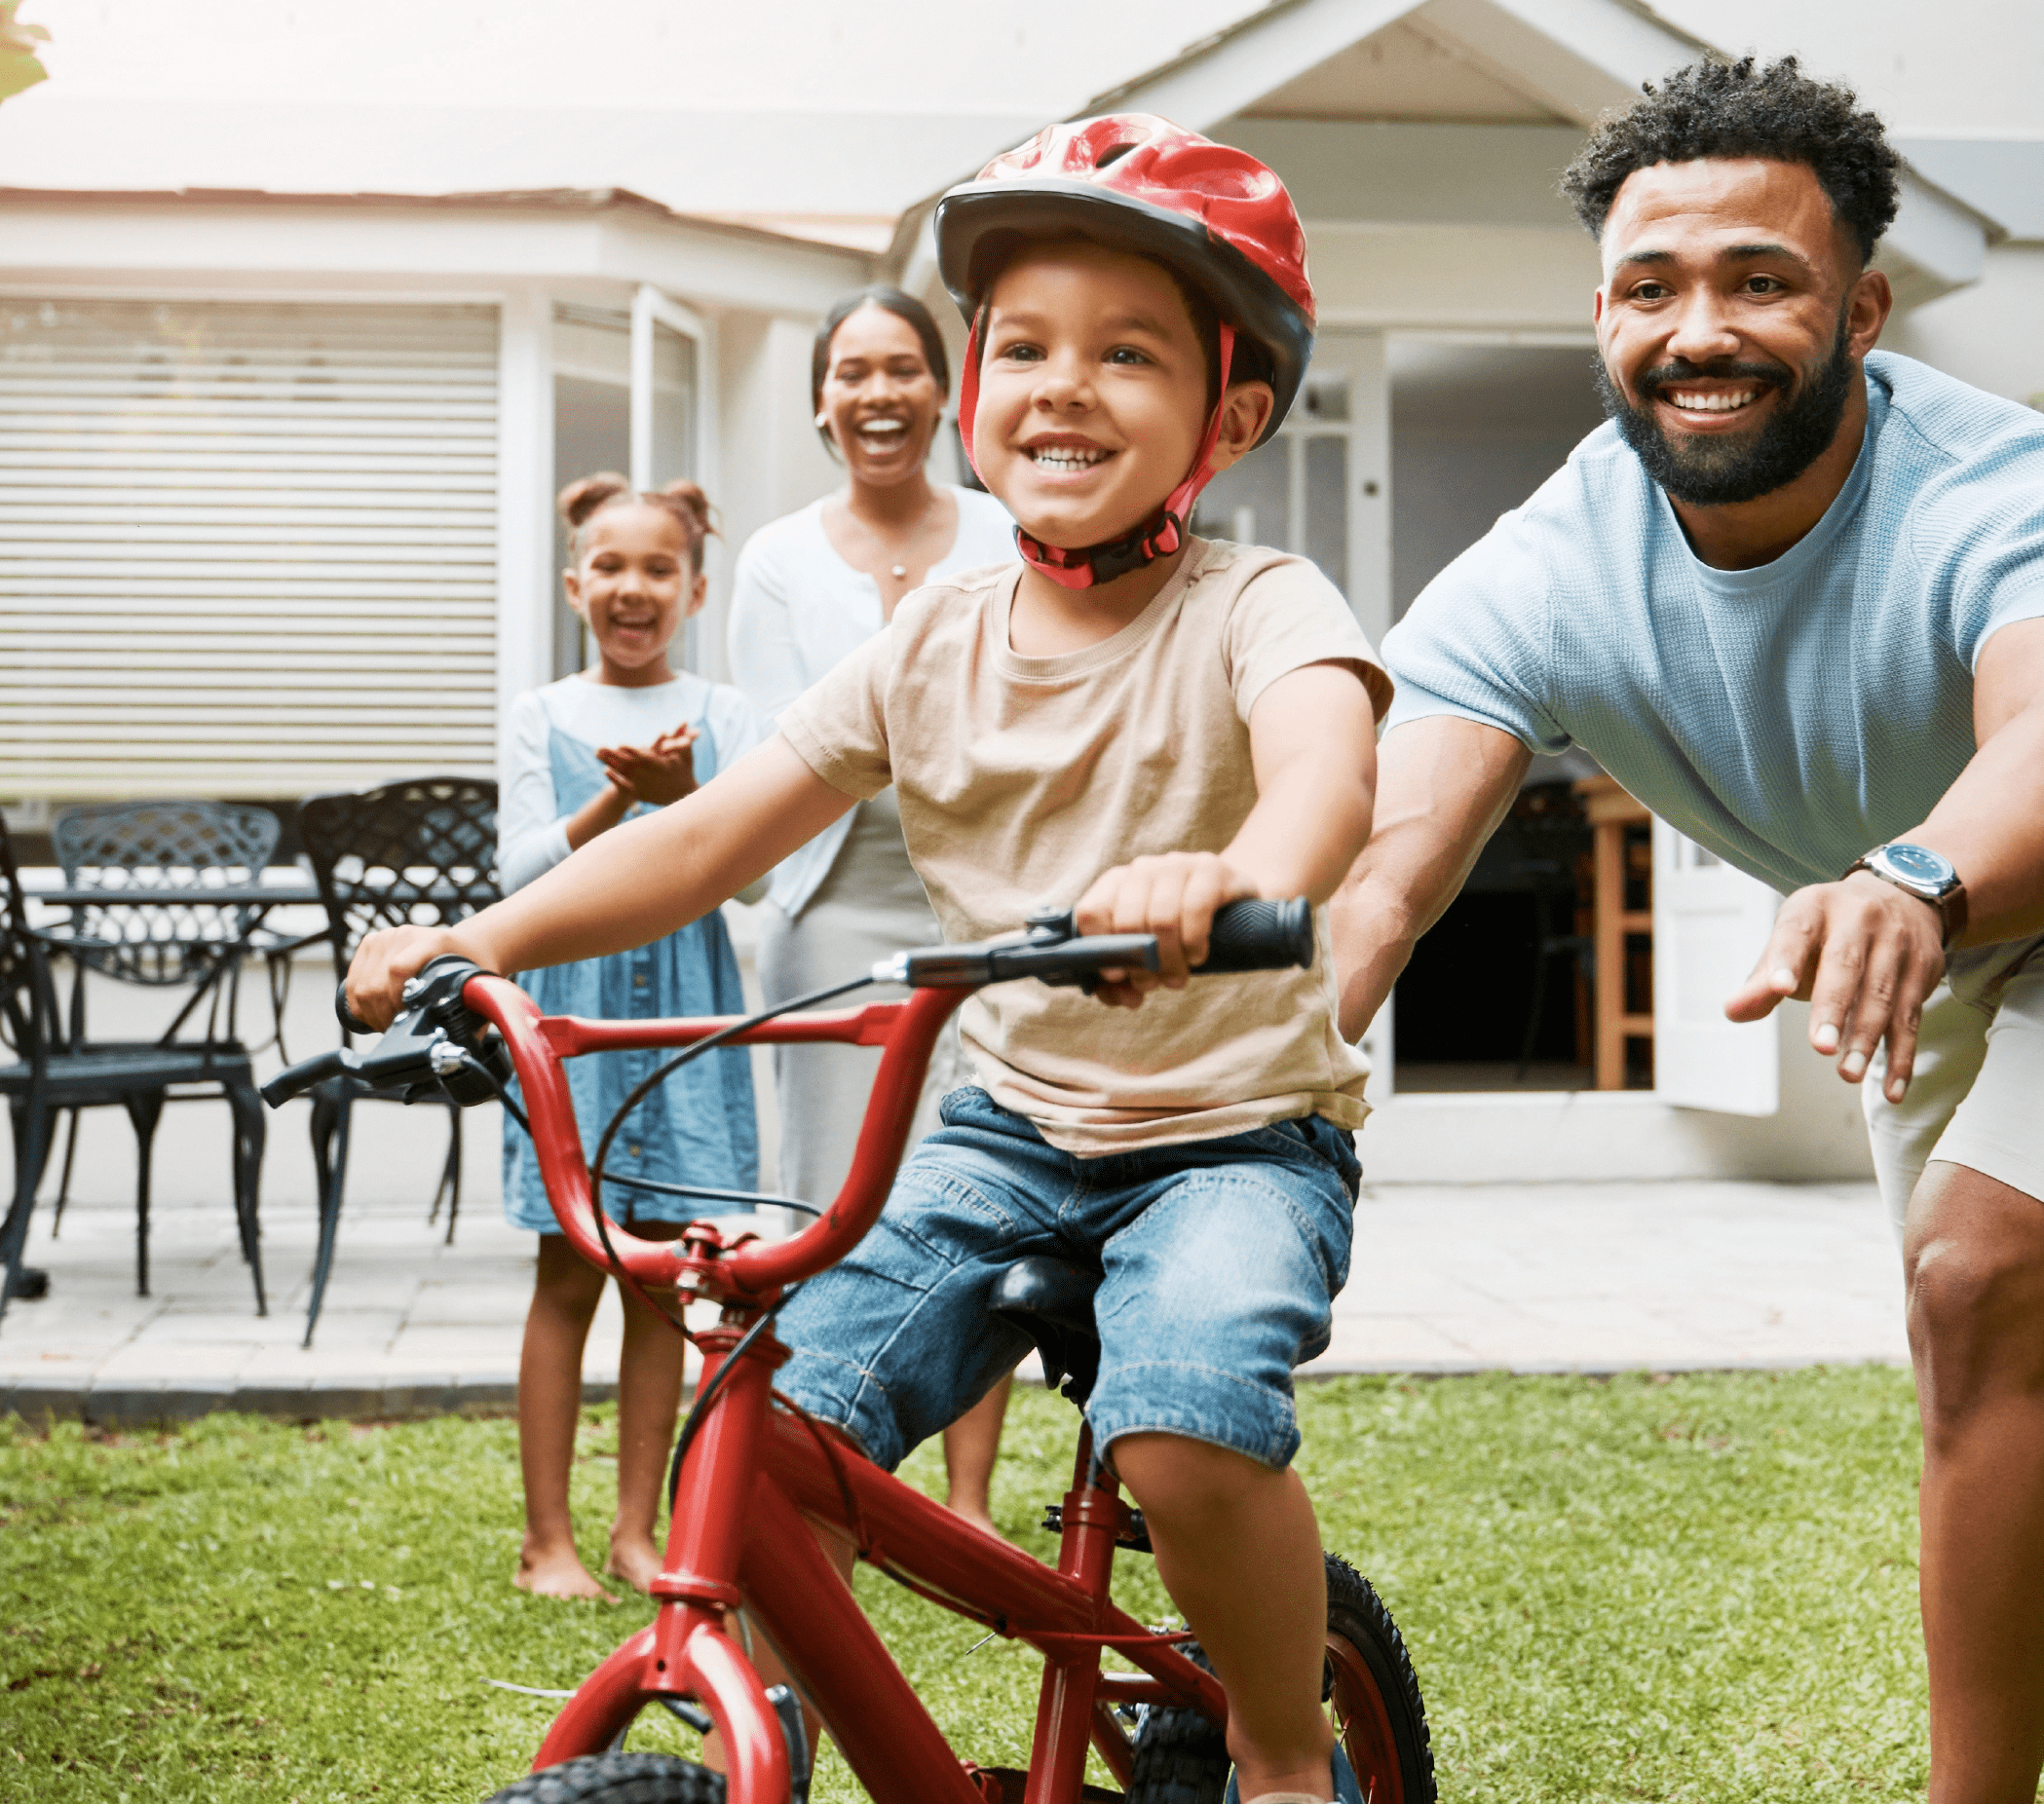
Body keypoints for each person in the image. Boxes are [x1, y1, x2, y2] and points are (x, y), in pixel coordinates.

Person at [349, 115, 1387, 1804]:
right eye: (1027, 346)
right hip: (1008, 1128)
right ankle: (791, 1746)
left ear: (1232, 414)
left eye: (1128, 353)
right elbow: (706, 836)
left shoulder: (1254, 602)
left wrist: (1235, 871)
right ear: (975, 393)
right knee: (768, 1431)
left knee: (1186, 1416)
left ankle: (1276, 1752)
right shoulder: (933, 640)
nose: (1062, 383)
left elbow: (1326, 770)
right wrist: (485, 934)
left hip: (1233, 1133)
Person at [1330, 57, 2044, 1804]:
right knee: (2012, 1314)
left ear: (1860, 305)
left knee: (1980, 1281)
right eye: (1651, 289)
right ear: (1604, 315)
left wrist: (1916, 879)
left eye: (1758, 282)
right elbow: (1394, 848)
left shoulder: (2013, 490)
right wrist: (1302, 1009)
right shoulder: (1551, 561)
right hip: (1911, 922)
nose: (1697, 330)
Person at [727, 286, 1019, 1529]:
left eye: (902, 368)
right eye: (853, 372)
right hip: (831, 902)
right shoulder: (778, 558)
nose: (878, 393)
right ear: (820, 402)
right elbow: (779, 746)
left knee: (983, 1179)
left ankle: (962, 1495)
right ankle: (824, 1463)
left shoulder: (1009, 532)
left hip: (987, 906)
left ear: (941, 393)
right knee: (827, 1195)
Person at [495, 474, 763, 1600]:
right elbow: (512, 877)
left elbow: (752, 874)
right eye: (609, 566)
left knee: (668, 1282)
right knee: (570, 1271)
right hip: (579, 1025)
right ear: (573, 585)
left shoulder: (729, 714)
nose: (631, 587)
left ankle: (634, 1534)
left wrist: (689, 791)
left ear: (694, 589)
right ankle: (545, 1539)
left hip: (685, 1025)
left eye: (658, 568)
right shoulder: (541, 715)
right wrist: (616, 803)